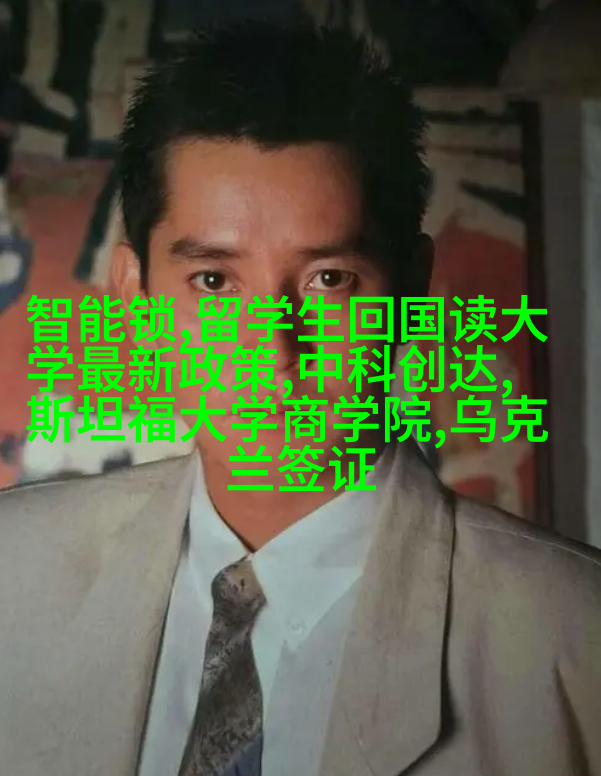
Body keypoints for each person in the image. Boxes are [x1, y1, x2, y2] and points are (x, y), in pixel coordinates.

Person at [0, 21, 600, 776]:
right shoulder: (13, 574)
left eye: (329, 280)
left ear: (412, 287)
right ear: (134, 294)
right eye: (213, 281)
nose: (273, 349)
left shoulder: (573, 636)